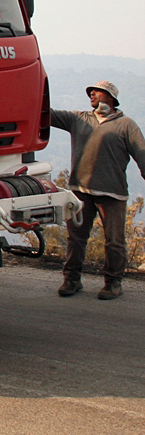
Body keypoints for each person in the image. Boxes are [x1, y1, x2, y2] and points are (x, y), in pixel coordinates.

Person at [52, 80, 145, 300]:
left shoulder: (126, 125)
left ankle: (113, 283)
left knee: (114, 240)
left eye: (97, 92)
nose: (91, 94)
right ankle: (71, 280)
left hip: (111, 193)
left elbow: (141, 153)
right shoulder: (78, 119)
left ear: (111, 98)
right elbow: (48, 114)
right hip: (80, 190)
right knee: (76, 238)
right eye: (90, 92)